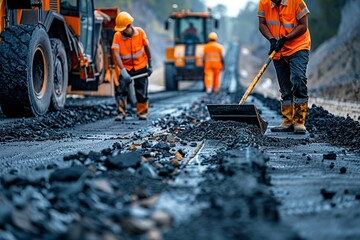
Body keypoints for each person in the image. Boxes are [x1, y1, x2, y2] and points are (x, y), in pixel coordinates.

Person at [258, 0, 311, 134]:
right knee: (285, 86)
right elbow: (262, 24)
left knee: (298, 78)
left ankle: (299, 120)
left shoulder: (297, 2)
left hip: (298, 47)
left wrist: (285, 38)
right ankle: (288, 121)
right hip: (278, 50)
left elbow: (303, 26)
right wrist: (271, 39)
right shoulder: (264, 3)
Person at [111, 11, 152, 121]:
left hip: (141, 65)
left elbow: (147, 49)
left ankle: (142, 112)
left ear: (129, 26)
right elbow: (116, 54)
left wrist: (150, 65)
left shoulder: (140, 33)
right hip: (126, 67)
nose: (122, 33)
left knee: (141, 90)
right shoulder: (117, 36)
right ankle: (121, 112)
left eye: (123, 30)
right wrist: (123, 71)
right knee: (121, 90)